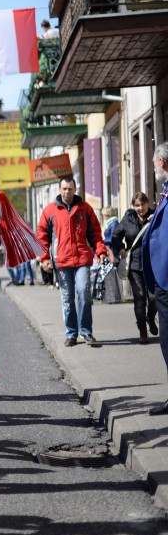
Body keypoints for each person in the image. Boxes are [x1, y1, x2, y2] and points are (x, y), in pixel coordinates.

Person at [37, 176, 108, 347]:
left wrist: (101, 251)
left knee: (84, 292)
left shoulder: (85, 209)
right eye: (64, 189)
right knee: (67, 299)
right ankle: (71, 334)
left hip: (82, 259)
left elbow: (95, 234)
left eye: (70, 188)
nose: (67, 192)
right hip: (62, 262)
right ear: (59, 190)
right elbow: (42, 238)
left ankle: (86, 331)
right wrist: (44, 258)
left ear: (75, 189)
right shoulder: (50, 211)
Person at [114, 192, 158, 343]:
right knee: (140, 298)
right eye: (137, 205)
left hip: (153, 263)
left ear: (148, 203)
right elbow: (115, 235)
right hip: (134, 264)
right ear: (133, 206)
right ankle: (142, 330)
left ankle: (150, 318)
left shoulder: (156, 215)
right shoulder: (128, 219)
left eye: (142, 204)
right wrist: (120, 248)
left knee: (154, 298)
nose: (140, 208)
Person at [145, 143, 168, 415]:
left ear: (162, 162)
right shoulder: (164, 192)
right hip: (161, 278)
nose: (152, 167)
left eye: (154, 162)